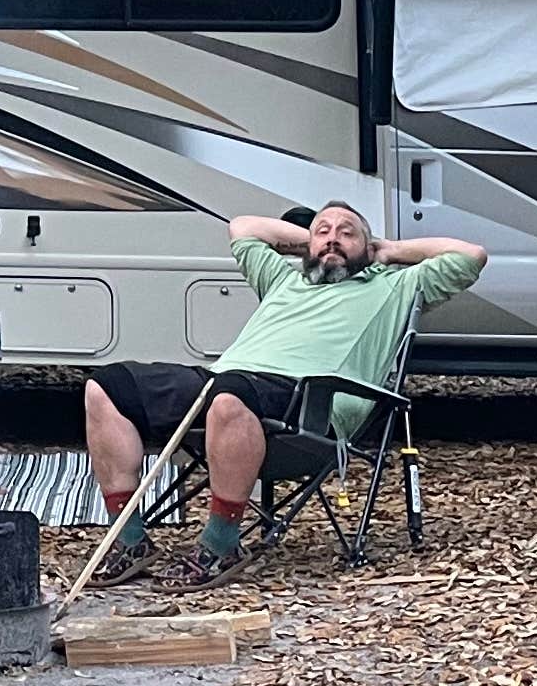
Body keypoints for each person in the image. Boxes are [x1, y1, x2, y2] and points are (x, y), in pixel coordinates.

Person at [81, 203, 485, 578]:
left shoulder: (396, 286)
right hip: (227, 383)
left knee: (230, 392)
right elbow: (242, 228)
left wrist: (391, 250)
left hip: (311, 401)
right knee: (108, 386)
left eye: (347, 233)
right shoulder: (283, 278)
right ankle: (129, 541)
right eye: (322, 231)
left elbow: (471, 255)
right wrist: (312, 240)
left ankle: (222, 545)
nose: (332, 238)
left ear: (368, 246)